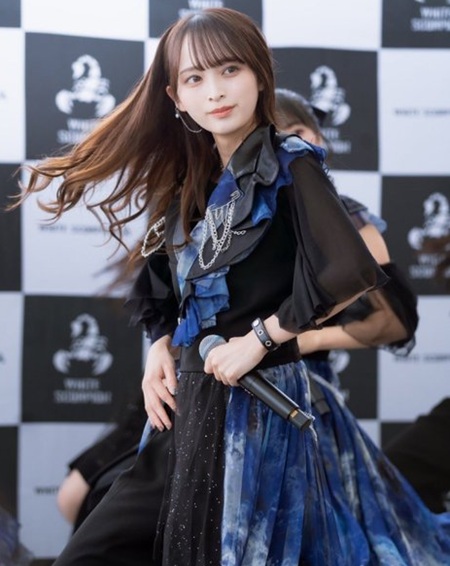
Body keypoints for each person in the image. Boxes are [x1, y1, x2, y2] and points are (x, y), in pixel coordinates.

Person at [13, 8, 450, 565]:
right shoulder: (192, 177)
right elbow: (161, 289)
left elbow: (348, 271)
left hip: (256, 417)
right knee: (95, 549)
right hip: (185, 406)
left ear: (259, 76)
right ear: (176, 97)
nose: (215, 91)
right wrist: (158, 348)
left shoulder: (290, 161)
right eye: (195, 78)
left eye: (229, 70)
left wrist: (263, 338)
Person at [275, 87, 418, 373]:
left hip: (305, 382)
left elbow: (394, 321)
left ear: (318, 137)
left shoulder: (348, 218)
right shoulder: (226, 214)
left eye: (298, 132)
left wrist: (309, 340)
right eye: (276, 137)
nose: (290, 144)